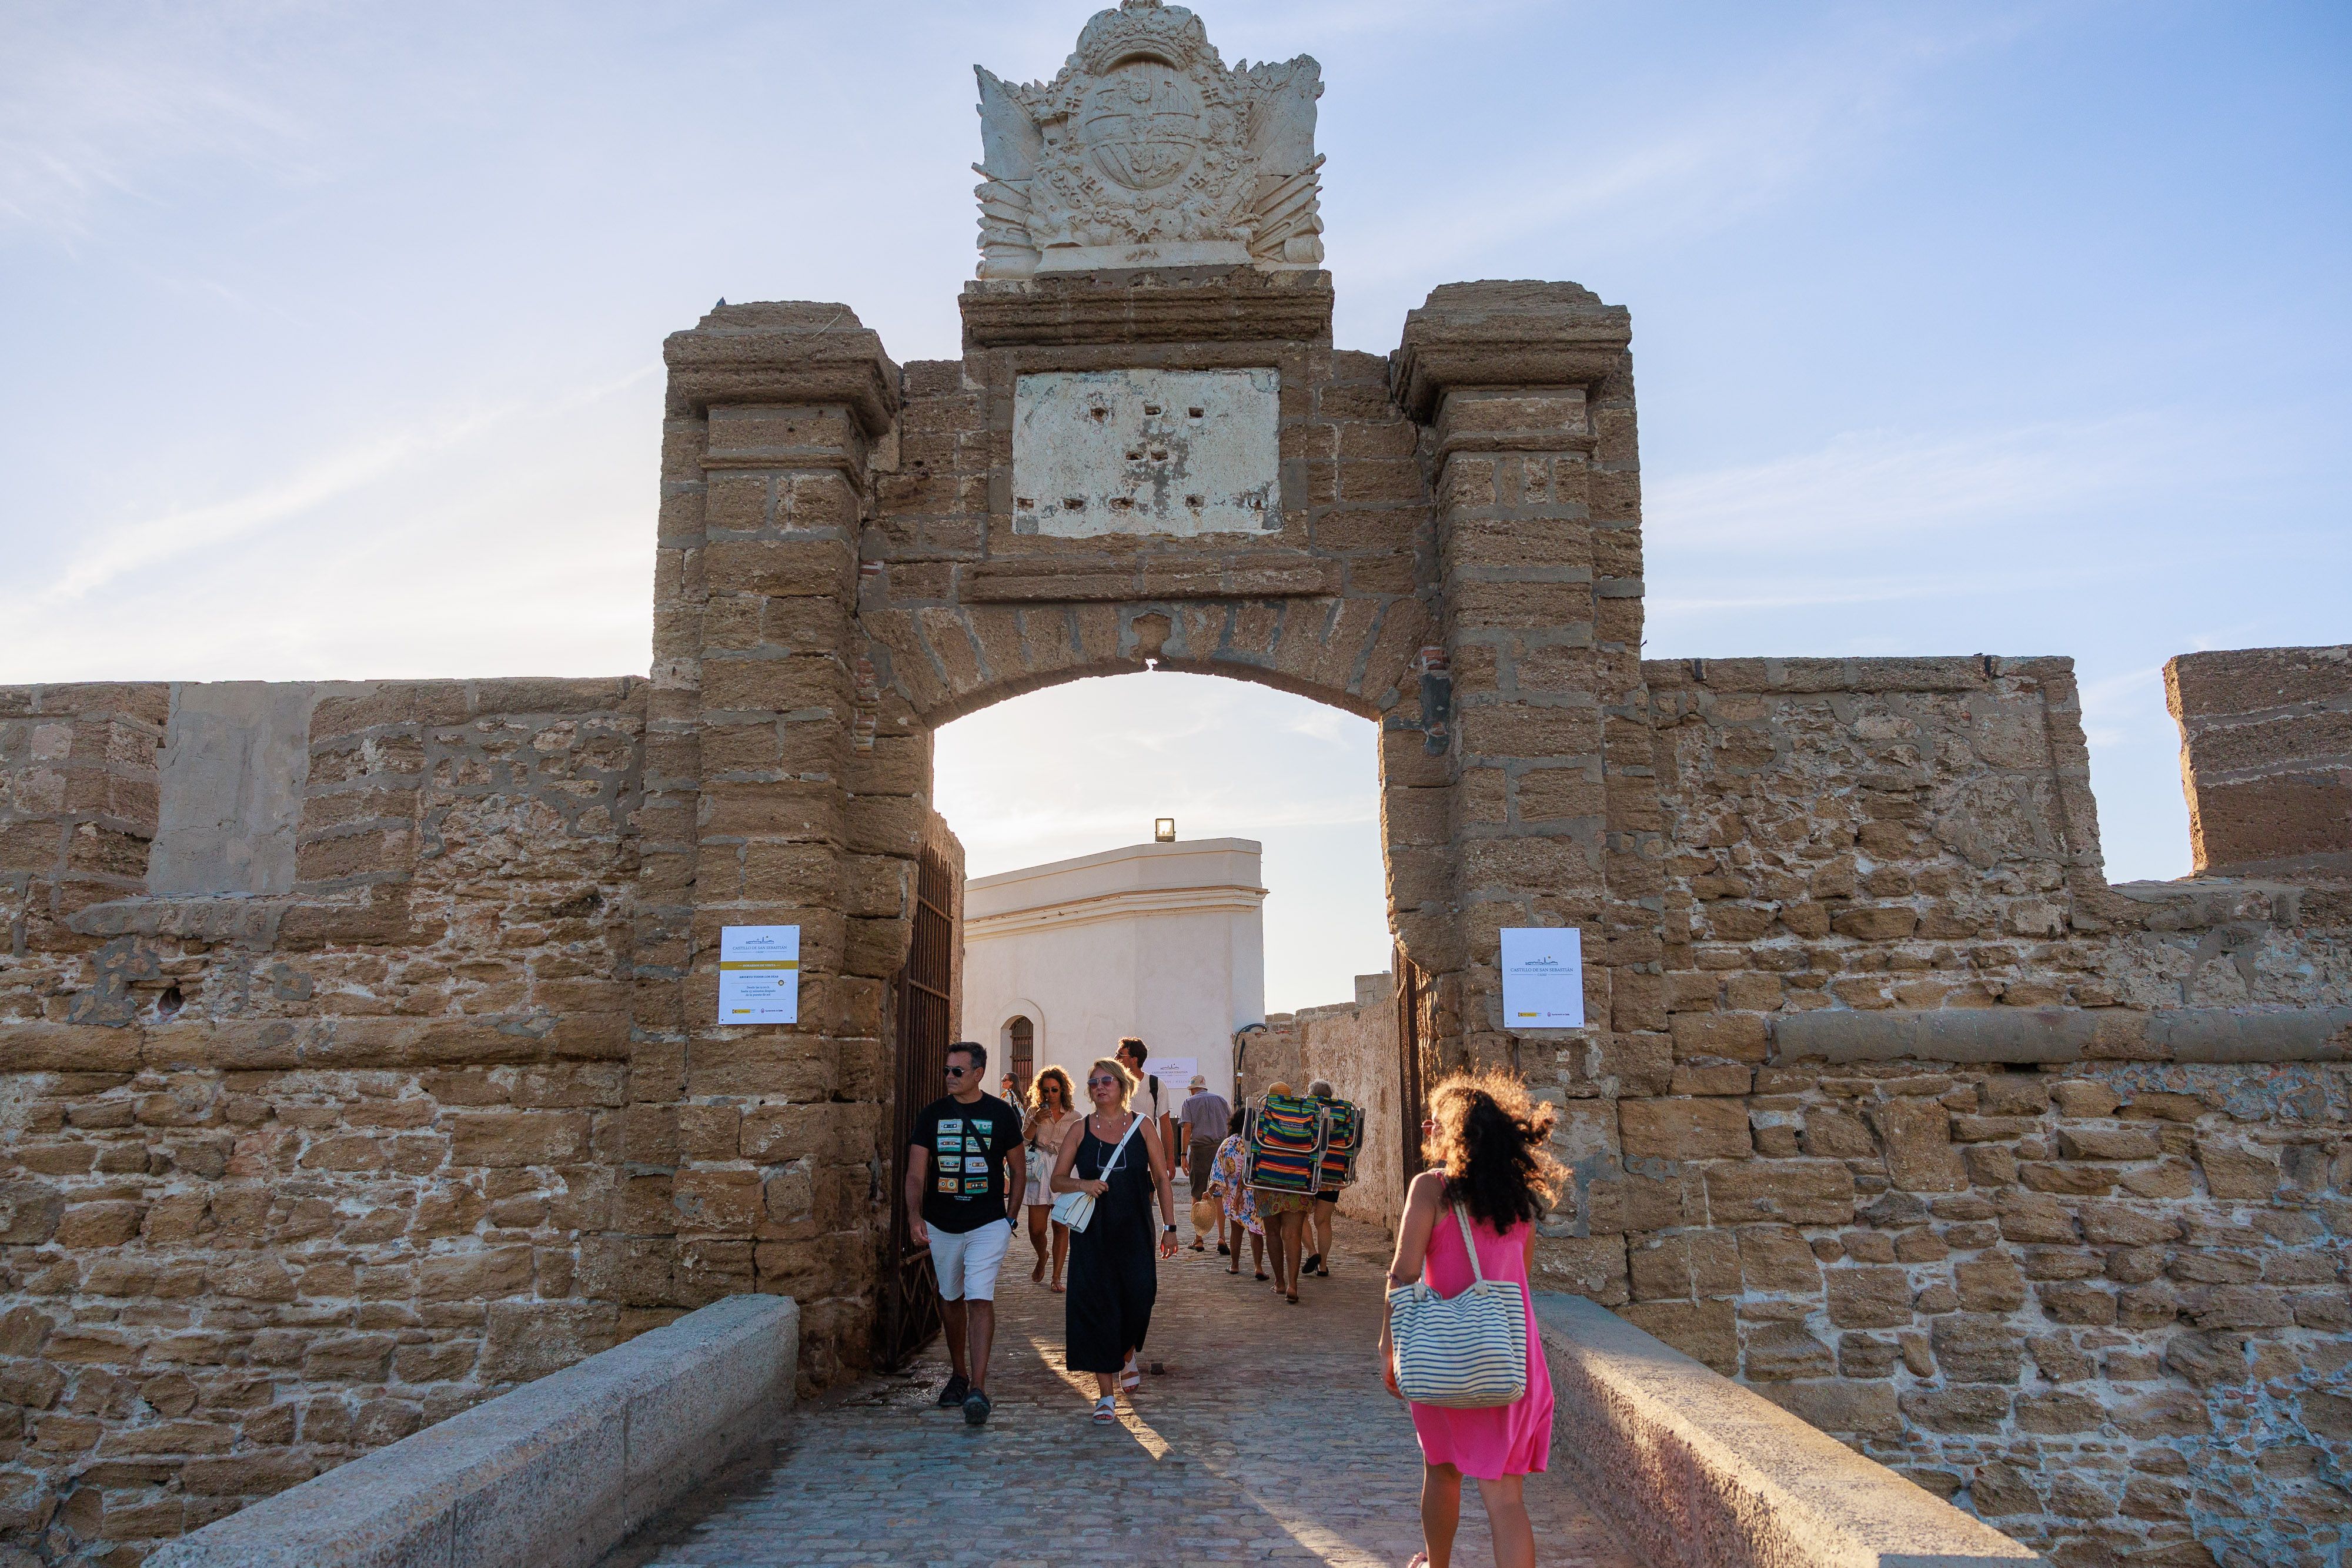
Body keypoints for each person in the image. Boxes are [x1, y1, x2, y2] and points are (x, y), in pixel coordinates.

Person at [1378, 1069, 1564, 1568]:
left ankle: (1436, 1567)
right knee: (1506, 1501)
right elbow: (1518, 1287)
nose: (1426, 1132)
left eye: (1432, 1124)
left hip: (1445, 1355)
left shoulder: (1430, 1191)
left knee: (1441, 1472)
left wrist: (1388, 1348)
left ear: (1455, 1133)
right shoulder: (1515, 1202)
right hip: (1509, 1361)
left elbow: (1402, 1275)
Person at [903, 1041, 1025, 1426]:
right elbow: (915, 1172)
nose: (950, 1077)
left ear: (978, 1073)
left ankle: (980, 1388)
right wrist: (914, 1215)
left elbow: (1019, 1170)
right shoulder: (932, 1115)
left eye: (958, 1070)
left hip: (988, 1222)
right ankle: (959, 1374)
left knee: (979, 1295)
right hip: (942, 1223)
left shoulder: (1001, 1114)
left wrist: (1009, 1218)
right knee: (950, 1297)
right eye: (947, 1070)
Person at [1052, 1056, 1179, 1424]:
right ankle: (1106, 1396)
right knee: (1096, 1307)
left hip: (1135, 1230)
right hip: (1093, 1234)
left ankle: (1126, 1352)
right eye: (1093, 1083)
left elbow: (1161, 1177)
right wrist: (1083, 1184)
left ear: (1123, 1086)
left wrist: (1170, 1226)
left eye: (1107, 1081)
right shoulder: (1080, 1129)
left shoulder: (1143, 1127)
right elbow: (1057, 1180)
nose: (1099, 1087)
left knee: (1142, 1296)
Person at [1251, 1081, 1312, 1304]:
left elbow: (1253, 1148)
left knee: (1274, 1233)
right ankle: (1294, 1285)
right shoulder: (1304, 1115)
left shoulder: (1263, 1115)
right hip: (1297, 1181)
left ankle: (1280, 1283)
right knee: (1293, 1234)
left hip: (1269, 1181)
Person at [1021, 1065, 1080, 1291]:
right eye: (1046, 1090)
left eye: (1054, 1090)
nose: (1050, 1095)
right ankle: (1042, 1255)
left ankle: (1056, 1277)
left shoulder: (1075, 1117)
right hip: (1039, 1169)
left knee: (1060, 1225)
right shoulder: (1034, 1112)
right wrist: (1035, 1121)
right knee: (1036, 1229)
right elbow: (1024, 1141)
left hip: (1064, 1169)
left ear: (1062, 1090)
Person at [1205, 1105, 1264, 1279]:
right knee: (1256, 1230)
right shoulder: (1259, 1143)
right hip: (1254, 1194)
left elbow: (1217, 1172)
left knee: (1236, 1231)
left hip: (1232, 1195)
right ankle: (1259, 1267)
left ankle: (1235, 1265)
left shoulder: (1228, 1143)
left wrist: (1212, 1190)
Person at [1176, 1072, 1231, 1251]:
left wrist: (1183, 1154)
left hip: (1200, 1150)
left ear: (1192, 1090)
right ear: (1205, 1088)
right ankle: (1222, 1237)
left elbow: (1187, 1129)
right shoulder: (1221, 1100)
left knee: (1198, 1193)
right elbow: (1229, 1124)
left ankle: (1198, 1239)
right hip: (1220, 1150)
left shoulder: (1189, 1102)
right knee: (1220, 1194)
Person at [1114, 1037, 1177, 1191]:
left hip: (1146, 1156)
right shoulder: (1113, 1085)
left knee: (1145, 1203)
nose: (1116, 1058)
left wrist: (1170, 1159)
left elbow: (1165, 1124)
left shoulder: (1155, 1085)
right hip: (1117, 1153)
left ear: (1134, 1060)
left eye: (1120, 1055)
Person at [1304, 1076, 1342, 1276]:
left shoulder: (1307, 1110)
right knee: (1324, 1221)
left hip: (1306, 1173)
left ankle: (1312, 1252)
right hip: (1332, 1174)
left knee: (1299, 1216)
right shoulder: (1343, 1112)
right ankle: (1324, 1266)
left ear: (1311, 1095)